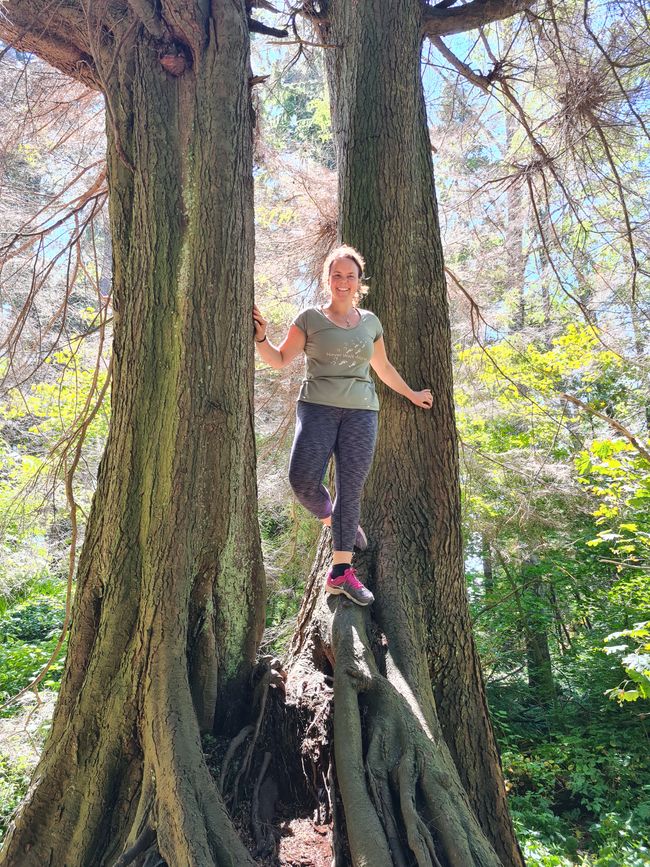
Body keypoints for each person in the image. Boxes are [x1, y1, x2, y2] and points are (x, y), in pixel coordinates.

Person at [253, 245, 433, 606]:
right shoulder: (309, 318)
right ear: (327, 279)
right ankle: (331, 520)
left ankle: (340, 573)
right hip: (317, 407)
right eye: (337, 275)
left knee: (350, 488)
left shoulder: (370, 323)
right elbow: (280, 359)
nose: (343, 282)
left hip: (361, 412)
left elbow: (382, 368)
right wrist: (260, 337)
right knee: (302, 480)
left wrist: (412, 394)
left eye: (350, 276)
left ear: (359, 282)